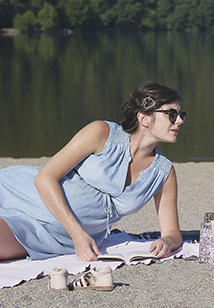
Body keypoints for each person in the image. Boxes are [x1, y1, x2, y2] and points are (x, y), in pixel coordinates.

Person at [0, 82, 185, 263]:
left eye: (180, 114)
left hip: (50, 237)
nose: (180, 120)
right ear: (144, 118)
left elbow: (173, 234)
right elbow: (44, 178)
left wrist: (166, 242)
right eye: (171, 114)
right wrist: (78, 234)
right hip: (20, 195)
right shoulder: (101, 133)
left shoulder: (163, 173)